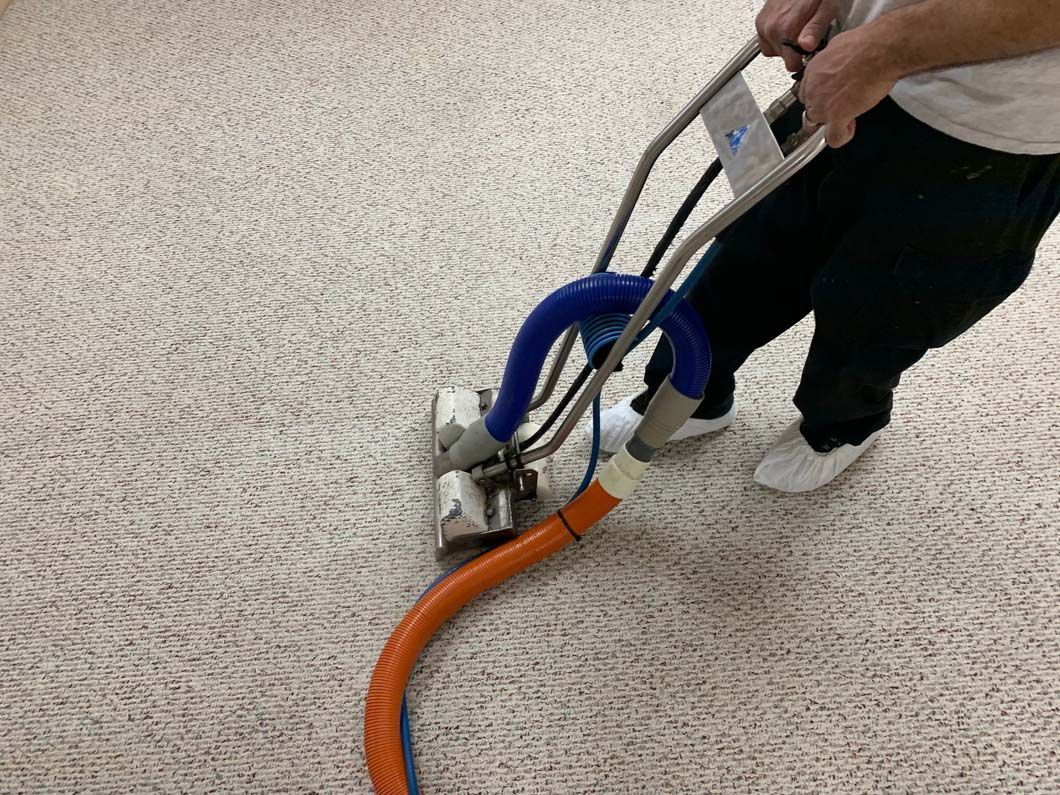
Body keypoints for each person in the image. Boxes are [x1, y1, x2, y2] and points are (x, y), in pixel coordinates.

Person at [593, 0, 1060, 493]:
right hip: (841, 63)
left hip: (992, 132)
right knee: (755, 249)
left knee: (883, 306)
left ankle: (842, 423)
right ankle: (687, 389)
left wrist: (888, 47)